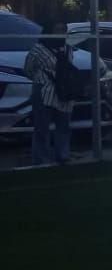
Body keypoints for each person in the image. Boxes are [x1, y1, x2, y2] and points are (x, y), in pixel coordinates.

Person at [23, 18, 75, 165]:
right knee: (42, 128)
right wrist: (42, 79)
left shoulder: (68, 49)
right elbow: (28, 69)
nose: (60, 33)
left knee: (64, 126)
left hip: (65, 93)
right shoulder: (38, 49)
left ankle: (63, 155)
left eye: (63, 30)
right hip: (44, 92)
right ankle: (41, 159)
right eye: (57, 30)